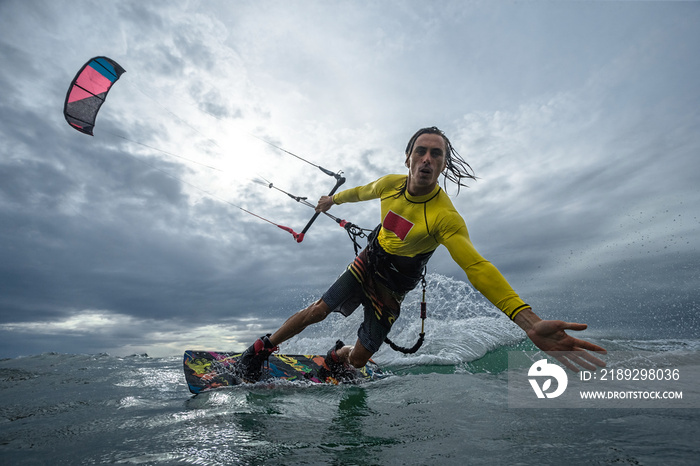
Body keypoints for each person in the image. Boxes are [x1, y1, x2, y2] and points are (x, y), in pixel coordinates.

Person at [238, 126, 606, 381]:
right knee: (318, 310)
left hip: (395, 288)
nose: (427, 159)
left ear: (443, 164)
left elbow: (477, 267)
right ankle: (260, 349)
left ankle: (337, 357)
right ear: (408, 158)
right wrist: (330, 199)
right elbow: (360, 192)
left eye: (436, 154)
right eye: (421, 151)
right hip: (370, 261)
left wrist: (529, 322)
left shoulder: (445, 218)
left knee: (360, 358)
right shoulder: (389, 185)